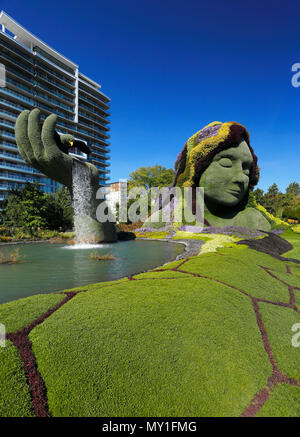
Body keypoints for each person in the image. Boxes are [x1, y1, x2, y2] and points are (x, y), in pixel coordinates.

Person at [170, 121, 271, 230]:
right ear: (194, 171)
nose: (241, 178)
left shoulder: (253, 220)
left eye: (246, 170)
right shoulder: (167, 218)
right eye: (226, 163)